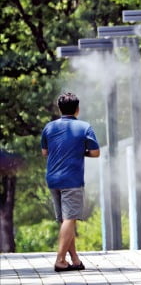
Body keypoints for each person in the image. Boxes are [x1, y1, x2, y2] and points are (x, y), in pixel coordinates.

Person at [41, 92, 100, 272]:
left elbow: (45, 152)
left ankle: (74, 260)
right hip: (71, 180)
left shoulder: (49, 127)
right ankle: (60, 260)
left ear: (59, 109)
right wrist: (79, 151)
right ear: (77, 109)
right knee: (70, 219)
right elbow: (96, 152)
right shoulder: (84, 127)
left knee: (66, 221)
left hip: (52, 178)